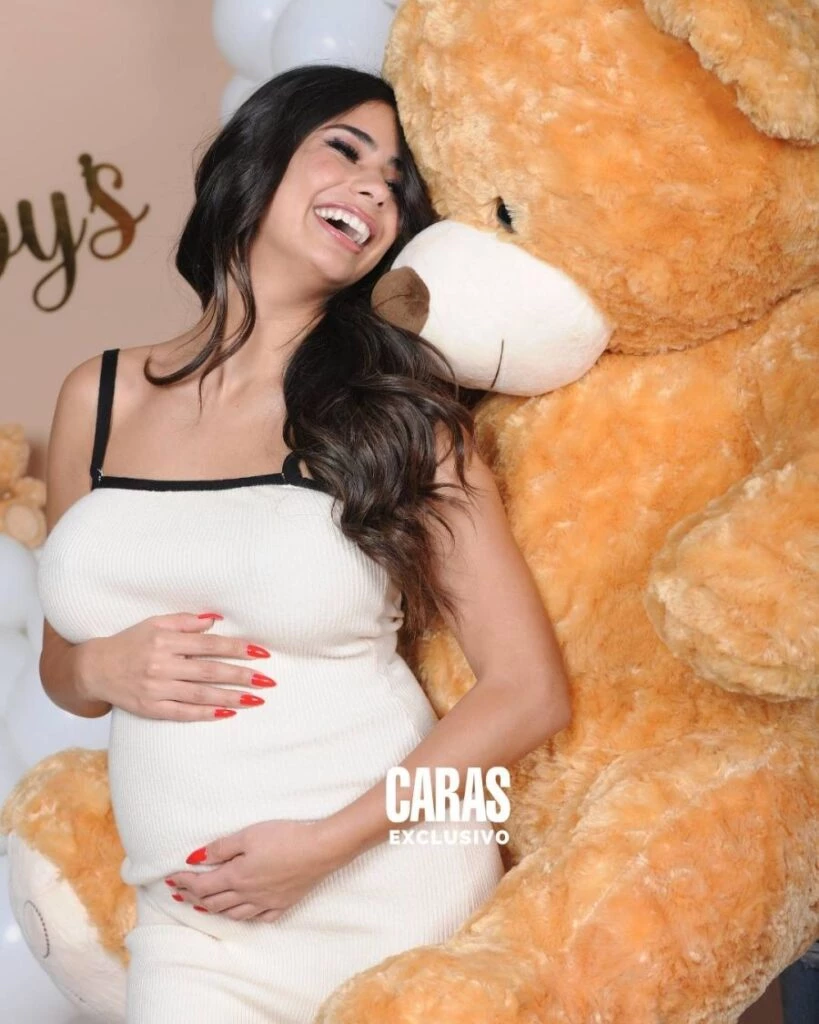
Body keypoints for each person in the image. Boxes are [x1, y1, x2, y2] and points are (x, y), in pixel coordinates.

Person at [36, 65, 572, 1023]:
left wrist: (325, 845)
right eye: (345, 149)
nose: (373, 188)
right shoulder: (99, 395)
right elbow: (60, 672)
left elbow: (528, 691)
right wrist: (99, 666)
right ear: (259, 156)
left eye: (397, 184)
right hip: (191, 925)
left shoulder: (398, 419)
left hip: (386, 891)